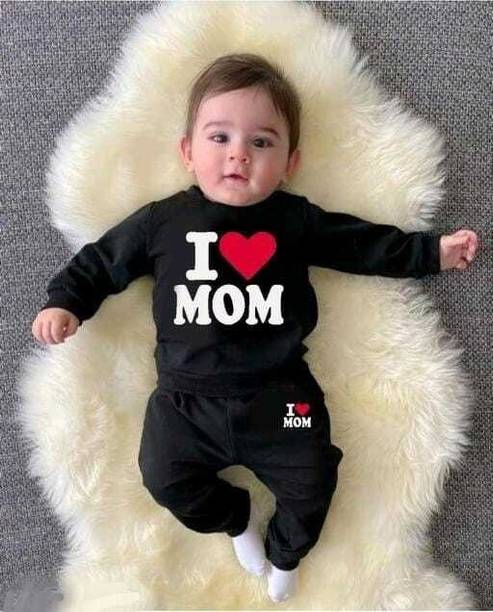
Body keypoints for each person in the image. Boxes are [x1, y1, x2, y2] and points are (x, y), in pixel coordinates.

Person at [31, 53, 479, 603]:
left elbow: (362, 243)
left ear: (290, 163)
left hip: (281, 397)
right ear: (187, 152)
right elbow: (103, 260)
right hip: (185, 402)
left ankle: (286, 550)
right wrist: (66, 301)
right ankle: (236, 519)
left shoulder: (294, 220)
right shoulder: (162, 221)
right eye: (219, 137)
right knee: (163, 476)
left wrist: (432, 252)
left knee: (315, 480)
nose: (238, 153)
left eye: (261, 142)